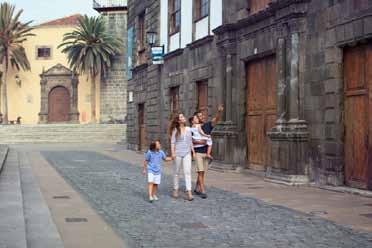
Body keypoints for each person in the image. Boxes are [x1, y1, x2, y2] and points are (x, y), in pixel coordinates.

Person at [193, 105, 224, 199]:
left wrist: (219, 112)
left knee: (202, 173)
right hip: (198, 152)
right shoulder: (193, 128)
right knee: (200, 171)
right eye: (199, 116)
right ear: (196, 118)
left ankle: (196, 188)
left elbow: (216, 120)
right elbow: (190, 141)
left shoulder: (207, 125)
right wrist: (200, 142)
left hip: (205, 153)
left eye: (202, 116)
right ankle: (202, 190)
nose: (202, 117)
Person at [169, 113, 195, 201]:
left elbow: (190, 141)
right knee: (176, 172)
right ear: (178, 120)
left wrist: (193, 152)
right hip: (178, 153)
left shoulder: (188, 129)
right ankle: (176, 189)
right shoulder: (175, 130)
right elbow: (172, 142)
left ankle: (189, 191)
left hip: (187, 153)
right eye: (181, 117)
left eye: (183, 116)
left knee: (187, 172)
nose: (184, 118)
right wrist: (172, 153)